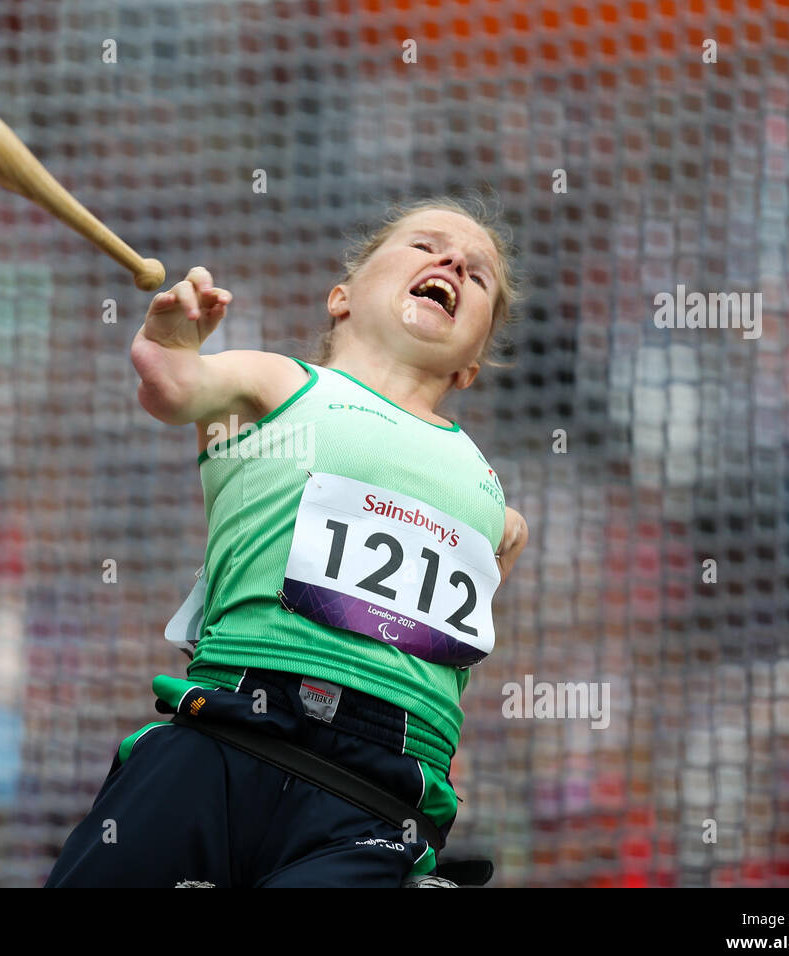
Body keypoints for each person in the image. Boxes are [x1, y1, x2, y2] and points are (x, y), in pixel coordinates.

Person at [46, 196, 528, 887]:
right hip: (224, 741)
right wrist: (172, 342)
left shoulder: (488, 491)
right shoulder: (284, 383)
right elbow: (174, 383)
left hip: (376, 798)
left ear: (472, 363)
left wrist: (504, 530)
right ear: (343, 296)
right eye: (424, 245)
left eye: (478, 275)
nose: (451, 261)